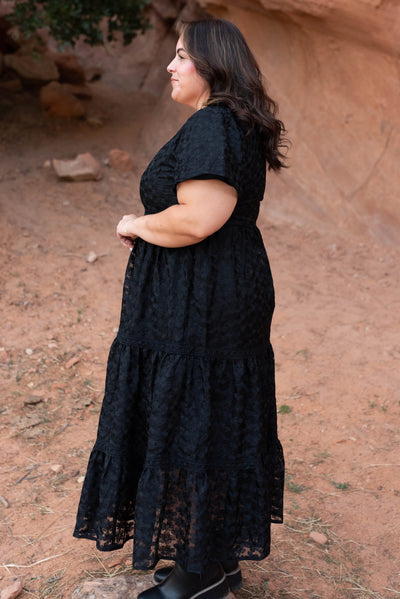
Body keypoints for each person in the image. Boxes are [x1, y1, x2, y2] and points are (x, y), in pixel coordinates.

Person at [73, 17, 287, 599]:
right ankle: (213, 557)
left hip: (203, 300)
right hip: (213, 291)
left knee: (195, 417)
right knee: (209, 416)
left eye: (182, 56)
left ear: (213, 66)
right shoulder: (228, 125)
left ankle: (200, 573)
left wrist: (134, 223)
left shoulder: (213, 125)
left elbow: (198, 217)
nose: (171, 65)